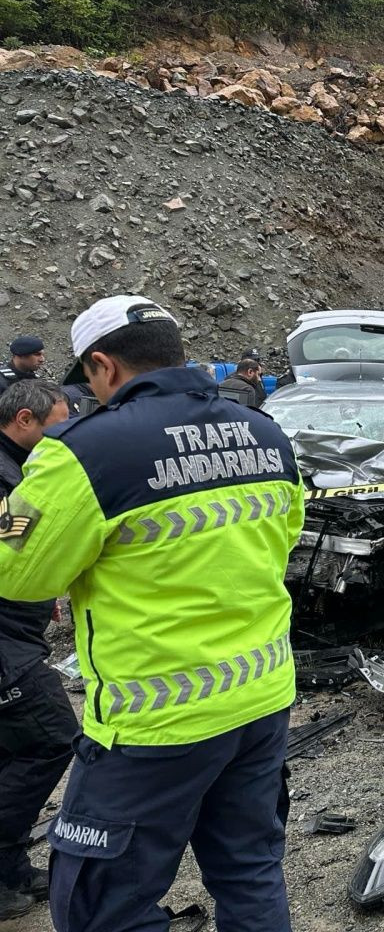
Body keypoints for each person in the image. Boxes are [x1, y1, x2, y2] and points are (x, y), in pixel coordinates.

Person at [0, 295, 304, 932]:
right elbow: (285, 539)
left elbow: (17, 573)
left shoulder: (82, 452)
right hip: (261, 698)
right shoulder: (266, 433)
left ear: (104, 365)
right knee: (249, 873)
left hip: (156, 720)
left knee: (100, 909)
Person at [0, 381, 74, 920]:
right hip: (5, 645)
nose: (67, 435)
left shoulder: (19, 466)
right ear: (25, 419)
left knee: (11, 750)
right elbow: (11, 554)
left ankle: (10, 868)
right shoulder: (7, 476)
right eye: (59, 425)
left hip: (15, 630)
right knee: (52, 738)